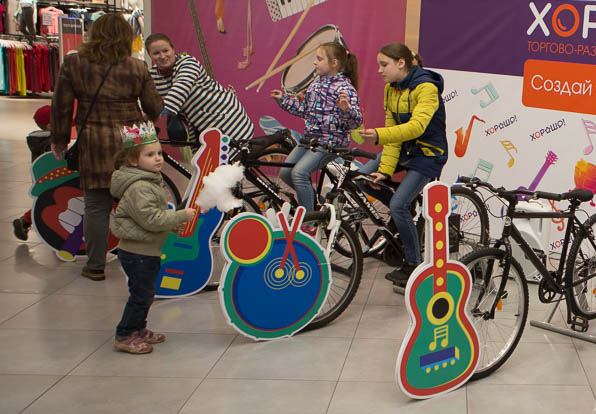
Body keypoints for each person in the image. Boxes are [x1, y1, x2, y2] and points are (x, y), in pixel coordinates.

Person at [51, 12, 162, 281]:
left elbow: (61, 106)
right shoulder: (136, 67)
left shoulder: (74, 63)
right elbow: (154, 107)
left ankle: (95, 266)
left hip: (94, 143)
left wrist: (59, 140)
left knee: (96, 206)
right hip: (132, 143)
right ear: (125, 37)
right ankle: (143, 261)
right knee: (138, 202)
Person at [359, 43, 449, 288]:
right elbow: (393, 136)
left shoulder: (426, 88)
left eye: (384, 64)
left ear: (401, 63)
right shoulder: (391, 89)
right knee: (361, 179)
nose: (379, 70)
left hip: (428, 154)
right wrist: (385, 170)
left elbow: (417, 127)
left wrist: (379, 134)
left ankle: (412, 264)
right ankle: (404, 209)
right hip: (405, 150)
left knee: (397, 205)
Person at [109, 122, 197, 354]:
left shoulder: (149, 180)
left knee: (145, 294)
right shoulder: (139, 187)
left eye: (159, 153)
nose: (158, 158)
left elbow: (148, 218)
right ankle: (125, 334)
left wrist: (172, 226)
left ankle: (138, 328)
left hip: (146, 249)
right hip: (137, 252)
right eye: (150, 155)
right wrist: (179, 216)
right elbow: (150, 219)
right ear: (132, 160)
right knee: (141, 295)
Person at [269, 41, 363, 215]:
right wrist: (283, 100)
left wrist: (346, 110)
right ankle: (315, 207)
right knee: (285, 173)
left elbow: (356, 122)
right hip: (311, 140)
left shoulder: (345, 88)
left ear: (334, 63)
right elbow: (305, 112)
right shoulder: (315, 84)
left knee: (299, 173)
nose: (315, 62)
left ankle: (309, 219)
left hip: (331, 143)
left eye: (319, 59)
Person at [145, 34, 253, 143]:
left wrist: (154, 113)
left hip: (226, 118)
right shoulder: (152, 75)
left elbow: (180, 89)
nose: (162, 56)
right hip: (199, 127)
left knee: (231, 152)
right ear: (149, 55)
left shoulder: (188, 63)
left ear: (173, 49)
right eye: (156, 53)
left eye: (165, 50)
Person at [12, 105, 53, 241]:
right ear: (50, 125)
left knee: (45, 202)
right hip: (52, 178)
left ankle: (25, 221)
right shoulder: (49, 142)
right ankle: (25, 221)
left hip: (41, 178)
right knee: (49, 203)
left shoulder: (38, 140)